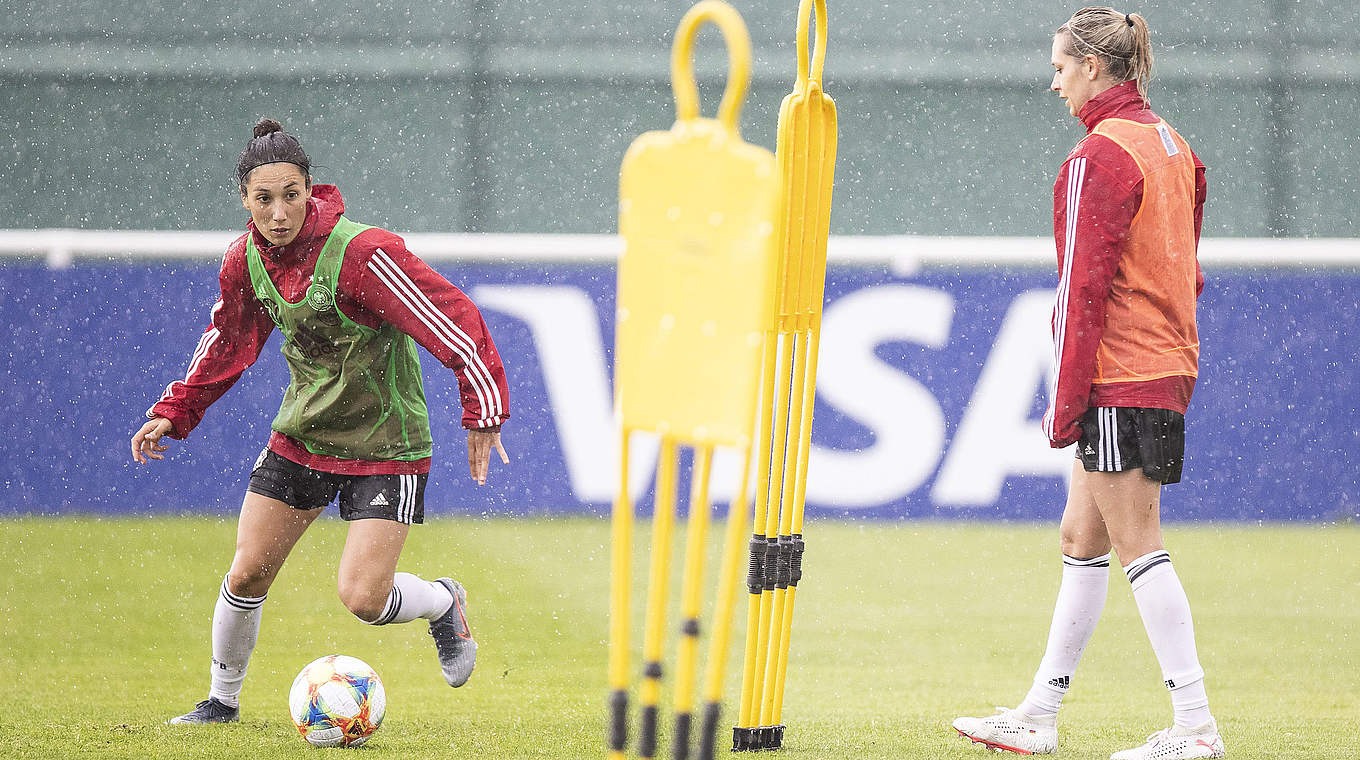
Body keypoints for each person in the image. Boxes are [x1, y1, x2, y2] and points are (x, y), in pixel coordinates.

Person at [131, 118, 511, 725]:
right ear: (244, 199)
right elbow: (227, 342)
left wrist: (482, 405)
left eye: (290, 195)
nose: (278, 212)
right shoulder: (244, 261)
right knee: (248, 570)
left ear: (311, 190)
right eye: (263, 198)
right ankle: (221, 702)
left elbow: (450, 316)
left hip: (389, 444)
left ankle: (442, 603)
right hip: (303, 436)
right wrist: (175, 411)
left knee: (363, 598)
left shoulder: (363, 253)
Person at [951, 8, 1224, 760]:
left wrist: (1068, 401)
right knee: (1082, 536)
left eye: (1061, 67)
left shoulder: (1097, 158)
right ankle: (1038, 715)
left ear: (1094, 69)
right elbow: (1187, 264)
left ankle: (1196, 727)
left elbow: (1081, 294)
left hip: (1122, 370)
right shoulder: (1173, 144)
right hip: (1164, 361)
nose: (1054, 82)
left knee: (1139, 544)